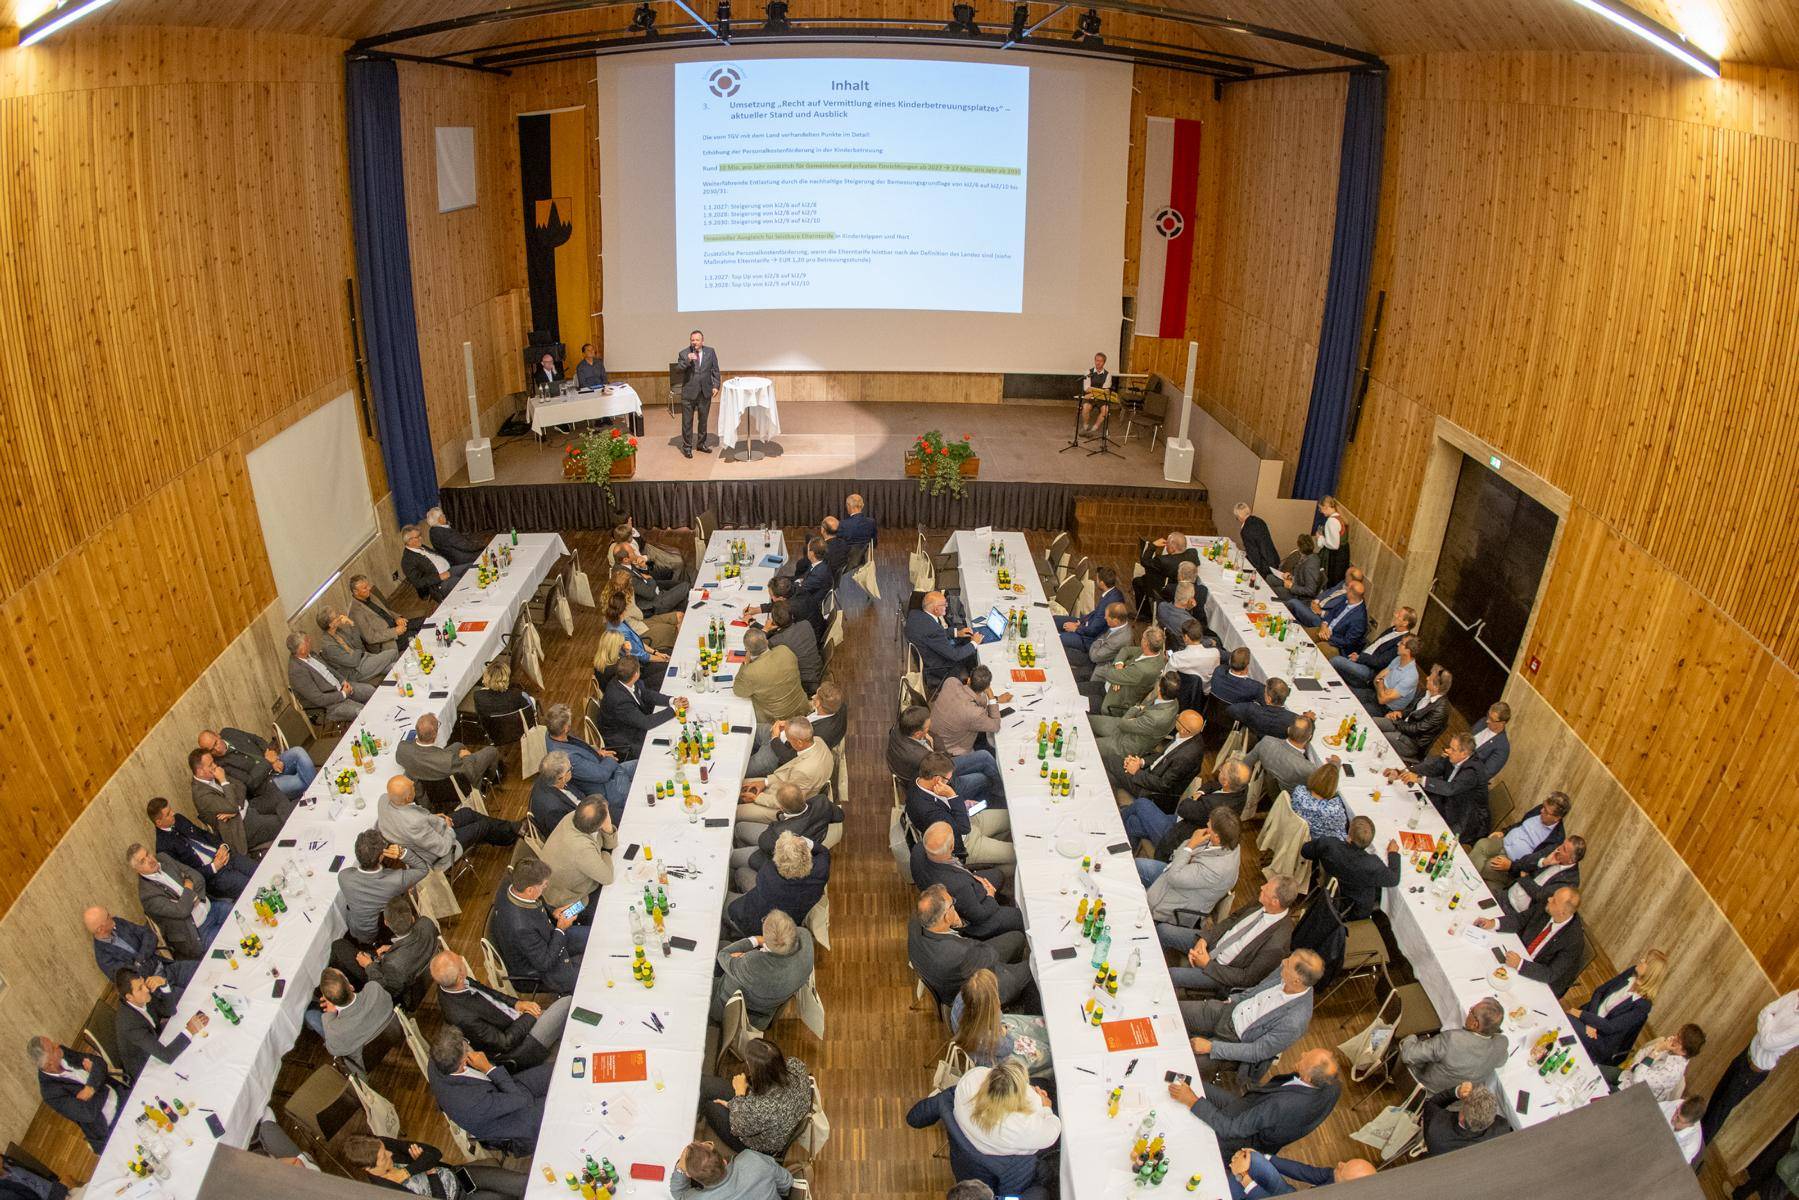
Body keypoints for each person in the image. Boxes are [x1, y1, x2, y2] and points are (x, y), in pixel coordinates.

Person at [906, 1068, 1049, 1200]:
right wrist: (1046, 1110)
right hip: (982, 1185)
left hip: (964, 1172)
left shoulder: (958, 1097)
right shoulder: (1016, 1162)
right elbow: (1031, 1192)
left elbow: (914, 1119)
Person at [1168, 1047, 1341, 1156]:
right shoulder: (1333, 1083)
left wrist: (1192, 1101)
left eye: (1306, 1057)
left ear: (1308, 1077)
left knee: (1182, 1131)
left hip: (1241, 1134)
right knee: (1196, 1085)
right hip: (1251, 1105)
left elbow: (1230, 1128)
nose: (1302, 1053)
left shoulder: (1282, 1105)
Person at [1183, 952, 1324, 1082]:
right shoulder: (1284, 973)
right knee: (1171, 1014)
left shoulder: (1295, 1021)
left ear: (1296, 981)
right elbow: (1257, 989)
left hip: (1236, 1043)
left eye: (1288, 964)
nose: (1283, 961)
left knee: (1184, 1064)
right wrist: (1234, 999)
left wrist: (1212, 1048)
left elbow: (1257, 1051)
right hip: (1229, 1011)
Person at [1160, 875, 1299, 999]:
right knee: (1163, 930)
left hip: (1220, 971)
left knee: (1171, 975)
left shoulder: (1278, 943)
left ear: (1275, 902)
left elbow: (1246, 978)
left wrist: (1207, 965)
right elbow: (1232, 919)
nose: (1261, 887)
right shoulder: (1261, 901)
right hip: (1213, 942)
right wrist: (1204, 940)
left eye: (1266, 888)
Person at [432, 950, 569, 1071]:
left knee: (564, 1021)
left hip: (517, 1018)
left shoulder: (451, 984)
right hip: (521, 1043)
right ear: (460, 977)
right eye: (460, 961)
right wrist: (530, 1016)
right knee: (566, 1004)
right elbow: (504, 1043)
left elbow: (490, 994)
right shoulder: (464, 1017)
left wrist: (517, 1003)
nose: (462, 957)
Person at [426, 1027, 552, 1157]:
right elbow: (520, 1099)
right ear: (462, 1062)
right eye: (466, 1047)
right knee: (558, 1104)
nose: (469, 1045)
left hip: (501, 1089)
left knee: (554, 1072)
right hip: (507, 1119)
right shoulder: (472, 1103)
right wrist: (488, 1068)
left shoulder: (436, 1058)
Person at [909, 884, 1032, 1009]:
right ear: (946, 917)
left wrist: (955, 924)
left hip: (955, 970)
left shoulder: (916, 923)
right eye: (952, 904)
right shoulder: (957, 953)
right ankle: (1012, 999)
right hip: (972, 991)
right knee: (1032, 969)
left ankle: (1010, 972)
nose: (955, 906)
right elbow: (989, 955)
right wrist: (959, 924)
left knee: (1017, 938)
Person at [1703, 988, 1799, 1145]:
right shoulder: (1794, 995)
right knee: (1716, 1097)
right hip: (1745, 1055)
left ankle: (1694, 1154)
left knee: (1718, 1113)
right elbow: (1765, 1011)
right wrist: (1769, 1024)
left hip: (1752, 1072)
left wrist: (1769, 1021)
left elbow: (1767, 1042)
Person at [699, 1037, 813, 1156]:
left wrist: (739, 1093)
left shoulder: (763, 1109)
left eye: (749, 1063)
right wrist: (733, 1103)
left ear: (758, 1071)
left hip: (755, 1145)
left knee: (710, 1106)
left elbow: (737, 1128)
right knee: (706, 1085)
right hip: (768, 1115)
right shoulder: (796, 1064)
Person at [379, 775, 517, 871]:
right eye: (413, 787)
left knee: (467, 813)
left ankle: (510, 829)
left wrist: (433, 818)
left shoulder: (384, 800)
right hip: (441, 850)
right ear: (408, 797)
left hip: (431, 829)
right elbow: (443, 848)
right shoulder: (415, 823)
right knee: (482, 826)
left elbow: (417, 817)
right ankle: (511, 835)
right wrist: (449, 828)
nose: (415, 785)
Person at [491, 858, 586, 994]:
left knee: (594, 936)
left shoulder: (513, 884)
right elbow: (545, 963)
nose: (546, 887)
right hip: (542, 967)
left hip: (548, 936)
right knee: (591, 978)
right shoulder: (521, 927)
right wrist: (560, 929)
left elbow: (537, 904)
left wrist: (553, 911)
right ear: (530, 890)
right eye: (543, 886)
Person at [912, 822, 1021, 938]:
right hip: (975, 918)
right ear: (952, 847)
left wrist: (969, 876)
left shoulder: (917, 850)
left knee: (997, 875)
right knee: (1018, 917)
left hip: (963, 886)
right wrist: (990, 896)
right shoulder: (959, 885)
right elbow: (979, 915)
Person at [906, 752, 1013, 869]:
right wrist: (952, 796)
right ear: (937, 779)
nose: (950, 781)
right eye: (948, 779)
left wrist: (963, 804)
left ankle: (991, 851)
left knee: (1012, 818)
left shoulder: (920, 777)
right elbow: (964, 829)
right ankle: (993, 872)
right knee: (1016, 854)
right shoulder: (929, 812)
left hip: (965, 817)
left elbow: (950, 809)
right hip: (965, 842)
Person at [1473, 885, 1585, 997]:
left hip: (1536, 976)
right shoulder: (1546, 906)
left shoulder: (1574, 940)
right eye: (1553, 896)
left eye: (1554, 901)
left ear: (1563, 913)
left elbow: (1550, 973)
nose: (1549, 899)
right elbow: (1520, 920)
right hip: (1517, 955)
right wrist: (1493, 923)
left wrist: (1520, 964)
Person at [710, 910, 815, 1028]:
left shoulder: (752, 963)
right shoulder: (805, 939)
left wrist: (756, 940)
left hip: (731, 1009)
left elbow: (723, 955)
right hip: (763, 1014)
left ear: (766, 939)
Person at [343, 1134, 527, 1199]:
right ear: (368, 1168)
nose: (390, 1153)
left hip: (458, 1175)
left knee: (521, 1183)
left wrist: (409, 1170)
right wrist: (429, 1170)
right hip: (457, 1198)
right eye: (383, 1157)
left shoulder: (380, 1144)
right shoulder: (387, 1193)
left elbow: (433, 1153)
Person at [130, 841, 231, 959]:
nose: (150, 860)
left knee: (247, 915)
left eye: (147, 854)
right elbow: (182, 911)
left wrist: (189, 898)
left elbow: (197, 877)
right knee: (232, 948)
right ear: (137, 870)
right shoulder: (147, 895)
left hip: (212, 908)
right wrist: (188, 886)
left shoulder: (163, 858)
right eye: (143, 861)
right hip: (198, 932)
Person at [1566, 948, 1665, 1066]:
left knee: (1567, 1019)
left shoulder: (1642, 1006)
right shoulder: (1632, 972)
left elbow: (1610, 1027)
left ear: (1651, 972)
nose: (1641, 960)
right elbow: (1599, 991)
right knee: (1563, 1022)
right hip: (1590, 1017)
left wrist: (1581, 1015)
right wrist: (1590, 1020)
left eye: (1646, 961)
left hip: (1600, 1038)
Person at [887, 706, 1006, 804]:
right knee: (984, 778)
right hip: (940, 783)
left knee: (984, 756)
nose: (930, 729)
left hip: (934, 767)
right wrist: (934, 746)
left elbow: (936, 738)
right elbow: (945, 768)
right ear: (918, 734)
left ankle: (1002, 790)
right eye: (928, 728)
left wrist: (932, 742)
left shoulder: (900, 727)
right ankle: (999, 800)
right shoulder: (920, 757)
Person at [1142, 807, 1240, 924]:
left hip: (1177, 903)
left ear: (1217, 837)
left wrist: (1191, 844)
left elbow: (1174, 877)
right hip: (1177, 875)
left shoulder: (1216, 870)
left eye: (1209, 826)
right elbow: (1178, 851)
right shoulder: (1230, 842)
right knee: (1139, 865)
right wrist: (1188, 848)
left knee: (1134, 904)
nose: (1206, 825)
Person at [1115, 708, 1208, 830]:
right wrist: (1141, 762)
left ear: (1185, 730)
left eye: (1178, 719)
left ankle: (1118, 818)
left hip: (1151, 791)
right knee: (1115, 766)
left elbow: (1163, 785)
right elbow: (1163, 756)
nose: (1176, 717)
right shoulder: (1188, 736)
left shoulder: (1186, 757)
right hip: (1149, 773)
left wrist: (1136, 772)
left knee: (1112, 762)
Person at [30, 1037, 125, 1153]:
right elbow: (88, 1113)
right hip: (109, 1126)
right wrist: (97, 1083)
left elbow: (99, 1062)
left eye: (53, 1042)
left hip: (120, 1096)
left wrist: (90, 1088)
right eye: (53, 1047)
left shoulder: (62, 1053)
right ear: (49, 1064)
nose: (57, 1044)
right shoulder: (50, 1093)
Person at [1394, 732, 1489, 846]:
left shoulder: (1472, 772)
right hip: (1447, 802)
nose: (1448, 751)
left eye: (1453, 749)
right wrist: (1404, 771)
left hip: (1464, 818)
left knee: (1430, 837)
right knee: (1408, 808)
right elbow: (1433, 769)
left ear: (1464, 754)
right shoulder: (1454, 757)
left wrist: (1419, 779)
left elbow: (1450, 789)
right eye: (1449, 747)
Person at [148, 795, 252, 897]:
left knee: (258, 870)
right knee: (251, 886)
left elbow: (203, 834)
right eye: (168, 814)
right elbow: (185, 875)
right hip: (215, 876)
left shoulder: (178, 819)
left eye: (171, 810)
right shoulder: (163, 848)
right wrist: (213, 867)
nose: (173, 813)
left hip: (226, 856)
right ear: (159, 822)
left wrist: (222, 846)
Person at [951, 968, 1051, 1074]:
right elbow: (1008, 1046)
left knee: (1031, 1029)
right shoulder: (987, 1036)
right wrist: (1002, 1030)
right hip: (994, 1062)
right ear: (988, 1006)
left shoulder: (964, 996)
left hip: (977, 1042)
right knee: (1046, 1054)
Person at [1398, 998, 1509, 1093]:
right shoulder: (1501, 1044)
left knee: (1405, 1043)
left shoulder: (1452, 1040)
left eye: (1471, 1011)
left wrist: (1411, 1036)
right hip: (1453, 1101)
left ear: (1475, 1025)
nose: (1469, 1012)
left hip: (1424, 1089)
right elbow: (1502, 1061)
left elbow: (1408, 1055)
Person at [727, 831, 829, 936]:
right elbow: (824, 852)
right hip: (790, 917)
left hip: (756, 925)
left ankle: (734, 934)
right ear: (807, 854)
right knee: (741, 872)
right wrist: (805, 842)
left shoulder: (768, 875)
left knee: (724, 902)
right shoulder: (821, 869)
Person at [189, 747, 284, 858]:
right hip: (241, 827)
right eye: (210, 765)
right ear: (200, 771)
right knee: (281, 821)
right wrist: (223, 781)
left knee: (277, 797)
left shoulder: (212, 775)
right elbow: (231, 806)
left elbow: (241, 786)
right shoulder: (201, 795)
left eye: (213, 762)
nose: (215, 766)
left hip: (247, 807)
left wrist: (237, 807)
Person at [542, 703, 634, 817]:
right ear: (566, 728)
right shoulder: (568, 757)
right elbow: (602, 775)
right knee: (641, 790)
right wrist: (610, 760)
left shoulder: (551, 732)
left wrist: (597, 751)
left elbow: (581, 746)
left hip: (608, 768)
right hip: (609, 788)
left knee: (642, 765)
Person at [113, 968, 207, 1078]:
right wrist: (190, 1030)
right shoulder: (129, 1024)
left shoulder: (142, 996)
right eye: (140, 988)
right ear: (129, 997)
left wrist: (164, 984)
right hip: (146, 1067)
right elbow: (167, 1056)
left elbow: (169, 1011)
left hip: (157, 1041)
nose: (146, 989)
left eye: (143, 983)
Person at [1301, 816, 1401, 920]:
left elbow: (1305, 851)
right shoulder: (1373, 865)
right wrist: (1393, 853)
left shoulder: (1329, 845)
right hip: (1354, 908)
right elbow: (1394, 880)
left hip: (1329, 886)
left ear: (1349, 836)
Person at [1470, 790, 1571, 892]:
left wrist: (1511, 866)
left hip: (1512, 861)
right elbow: (1521, 823)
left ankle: (1469, 882)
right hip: (1503, 841)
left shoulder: (1556, 839)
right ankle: (1470, 880)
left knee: (1488, 866)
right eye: (1543, 806)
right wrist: (1504, 832)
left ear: (1557, 818)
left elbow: (1535, 863)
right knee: (1482, 844)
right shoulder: (1540, 810)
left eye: (1546, 812)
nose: (1541, 811)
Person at [339, 828, 427, 945]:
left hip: (358, 931)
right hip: (384, 931)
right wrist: (402, 853)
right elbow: (423, 869)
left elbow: (353, 872)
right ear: (381, 856)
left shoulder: (344, 877)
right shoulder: (396, 880)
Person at [1155, 759, 1253, 859]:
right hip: (1191, 820)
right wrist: (1200, 792)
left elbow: (1183, 808)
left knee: (1142, 805)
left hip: (1180, 837)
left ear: (1226, 782)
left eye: (1221, 770)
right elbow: (1211, 784)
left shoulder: (1212, 805)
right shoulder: (1241, 788)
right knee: (1139, 823)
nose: (1219, 769)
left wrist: (1193, 797)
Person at [739, 717, 833, 821]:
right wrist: (764, 782)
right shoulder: (818, 741)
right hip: (786, 785)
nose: (787, 741)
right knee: (738, 784)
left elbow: (787, 801)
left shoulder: (804, 771)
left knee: (738, 812)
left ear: (799, 743)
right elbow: (789, 772)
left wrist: (757, 798)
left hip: (785, 805)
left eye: (788, 738)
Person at [85, 905, 196, 992]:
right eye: (107, 916)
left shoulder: (119, 923)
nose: (111, 916)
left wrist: (140, 960)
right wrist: (145, 956)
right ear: (100, 929)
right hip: (153, 987)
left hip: (164, 965)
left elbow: (149, 934)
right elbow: (133, 977)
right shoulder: (104, 958)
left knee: (200, 970)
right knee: (190, 997)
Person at [735, 782, 838, 874]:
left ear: (781, 808)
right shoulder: (822, 801)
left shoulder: (777, 833)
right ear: (803, 796)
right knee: (740, 828)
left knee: (733, 857)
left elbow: (763, 844)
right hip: (807, 848)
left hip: (775, 860)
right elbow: (839, 816)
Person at [307, 967, 398, 1070]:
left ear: (328, 1000)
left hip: (364, 1062)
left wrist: (330, 1014)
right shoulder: (374, 989)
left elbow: (334, 1050)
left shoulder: (335, 1030)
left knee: (310, 1016)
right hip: (393, 1033)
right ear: (350, 986)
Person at [747, 683, 846, 777]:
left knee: (742, 768)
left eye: (816, 696)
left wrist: (774, 738)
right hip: (782, 732)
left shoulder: (819, 736)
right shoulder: (837, 705)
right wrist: (789, 724)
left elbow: (791, 758)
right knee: (746, 729)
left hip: (777, 754)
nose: (812, 697)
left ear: (819, 703)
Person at [198, 725, 315, 804]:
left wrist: (271, 756)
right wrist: (268, 762)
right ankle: (318, 792)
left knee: (298, 751)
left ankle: (316, 792)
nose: (217, 750)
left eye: (216, 743)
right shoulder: (220, 765)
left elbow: (255, 739)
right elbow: (250, 783)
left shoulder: (228, 732)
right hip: (266, 785)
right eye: (212, 750)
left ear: (217, 735)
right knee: (301, 781)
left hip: (273, 762)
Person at [540, 797, 618, 910]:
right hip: (569, 904)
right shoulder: (582, 849)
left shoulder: (574, 816)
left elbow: (608, 844)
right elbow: (608, 878)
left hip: (555, 887)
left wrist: (606, 830)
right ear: (598, 826)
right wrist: (605, 854)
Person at [1095, 673, 1180, 776]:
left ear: (1159, 689)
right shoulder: (1173, 702)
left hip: (1127, 744)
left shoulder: (1156, 718)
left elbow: (1123, 723)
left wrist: (1136, 708)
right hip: (1130, 726)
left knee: (1088, 744)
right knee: (1089, 721)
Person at [397, 712, 502, 795]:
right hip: (453, 784)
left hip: (430, 772)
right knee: (491, 751)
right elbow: (470, 774)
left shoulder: (402, 748)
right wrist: (467, 757)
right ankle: (488, 780)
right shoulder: (450, 761)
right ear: (434, 736)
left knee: (458, 745)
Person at [355, 899, 437, 1002]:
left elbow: (388, 991)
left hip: (408, 993)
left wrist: (369, 966)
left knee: (340, 946)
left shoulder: (393, 963)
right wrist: (393, 948)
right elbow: (419, 942)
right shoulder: (426, 922)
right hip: (427, 969)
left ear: (385, 923)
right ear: (412, 918)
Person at [287, 631, 373, 721]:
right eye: (307, 641)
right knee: (364, 713)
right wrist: (343, 694)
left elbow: (329, 669)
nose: (310, 640)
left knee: (371, 690)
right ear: (302, 649)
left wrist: (343, 681)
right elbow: (319, 699)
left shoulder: (311, 654)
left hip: (341, 687)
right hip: (329, 705)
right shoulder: (297, 672)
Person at [907, 590, 984, 690]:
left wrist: (957, 633)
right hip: (939, 667)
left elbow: (935, 634)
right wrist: (974, 642)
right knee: (973, 653)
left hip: (929, 650)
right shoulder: (934, 630)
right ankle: (973, 684)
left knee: (966, 642)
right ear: (935, 610)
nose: (947, 606)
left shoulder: (915, 614)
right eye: (944, 604)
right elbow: (955, 656)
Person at [734, 628, 812, 726]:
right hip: (801, 708)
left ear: (747, 650)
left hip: (777, 721)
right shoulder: (785, 650)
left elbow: (738, 691)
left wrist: (745, 664)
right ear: (766, 641)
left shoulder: (750, 672)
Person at [1375, 664, 1452, 763]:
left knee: (1379, 739)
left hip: (1411, 742)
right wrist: (1399, 713)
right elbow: (1411, 708)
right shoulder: (1425, 692)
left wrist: (1396, 722)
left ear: (1436, 686)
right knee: (1373, 722)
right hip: (1401, 725)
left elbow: (1416, 729)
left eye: (1430, 678)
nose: (1427, 678)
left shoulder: (1440, 710)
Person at [1225, 1148, 1374, 1199]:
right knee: (1253, 1160)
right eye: (1346, 1162)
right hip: (1295, 1196)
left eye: (1343, 1168)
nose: (1339, 1163)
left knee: (1241, 1177)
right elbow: (1302, 1170)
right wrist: (1263, 1156)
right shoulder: (1335, 1176)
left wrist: (1243, 1176)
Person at [929, 666, 1011, 759]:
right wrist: (991, 697)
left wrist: (996, 699)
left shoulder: (951, 682)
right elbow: (995, 726)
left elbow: (974, 702)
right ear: (986, 687)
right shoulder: (974, 713)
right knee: (994, 752)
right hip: (950, 752)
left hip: (932, 735)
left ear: (968, 680)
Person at [1498, 832, 1585, 917]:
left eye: (1564, 849)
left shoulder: (1570, 880)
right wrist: (1543, 862)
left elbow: (1539, 895)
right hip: (1507, 893)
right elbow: (1523, 863)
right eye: (1562, 844)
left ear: (1571, 860)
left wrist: (1525, 877)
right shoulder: (1553, 850)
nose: (1559, 849)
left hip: (1518, 913)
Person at [1330, 605, 1417, 689]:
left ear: (1405, 623)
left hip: (1370, 670)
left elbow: (1381, 662)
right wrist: (1359, 655)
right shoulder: (1392, 629)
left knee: (1336, 660)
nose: (1395, 615)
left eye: (1399, 615)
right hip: (1362, 658)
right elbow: (1375, 645)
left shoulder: (1403, 642)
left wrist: (1360, 658)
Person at [1088, 627, 1168, 717]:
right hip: (1110, 685)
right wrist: (1119, 665)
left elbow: (1110, 674)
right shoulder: (1157, 653)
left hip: (1111, 699)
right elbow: (1126, 650)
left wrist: (1117, 675)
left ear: (1146, 643)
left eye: (1143, 638)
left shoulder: (1142, 670)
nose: (1141, 639)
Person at [672, 1140, 792, 1200]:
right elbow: (787, 1182)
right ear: (724, 1161)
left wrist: (680, 1168)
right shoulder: (752, 1159)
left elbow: (679, 1194)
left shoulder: (697, 1198)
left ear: (692, 1177)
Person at [1615, 1024, 1706, 1101]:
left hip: (1632, 1096)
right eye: (1677, 1035)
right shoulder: (1671, 1047)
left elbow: (1638, 1080)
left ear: (1684, 1052)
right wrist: (1634, 1066)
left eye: (1678, 1041)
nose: (1673, 1038)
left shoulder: (1672, 1071)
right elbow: (1643, 1052)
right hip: (1627, 1075)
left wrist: (1657, 1050)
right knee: (1600, 1070)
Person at [1420, 1082, 1508, 1157]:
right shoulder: (1502, 1129)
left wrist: (1456, 1092)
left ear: (1462, 1117)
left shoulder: (1435, 1127)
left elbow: (1431, 1104)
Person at [315, 605, 398, 684]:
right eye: (336, 616)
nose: (339, 616)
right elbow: (352, 662)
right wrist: (358, 652)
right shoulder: (328, 646)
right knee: (393, 653)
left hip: (363, 658)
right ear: (331, 624)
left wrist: (352, 624)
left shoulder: (338, 631)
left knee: (392, 667)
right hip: (356, 670)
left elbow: (357, 645)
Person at [1240, 717, 1317, 797]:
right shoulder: (1309, 768)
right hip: (1284, 801)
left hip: (1263, 786)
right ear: (1309, 737)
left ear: (1288, 730)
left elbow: (1245, 763)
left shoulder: (1266, 742)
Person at [762, 599, 824, 693]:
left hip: (804, 683)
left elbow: (758, 647)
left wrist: (766, 629)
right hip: (818, 672)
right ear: (792, 615)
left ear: (774, 622)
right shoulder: (806, 624)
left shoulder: (777, 640)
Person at [1059, 567, 1125, 655]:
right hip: (1085, 625)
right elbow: (1095, 613)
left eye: (1097, 579)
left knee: (1057, 638)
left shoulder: (1110, 601)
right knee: (1055, 620)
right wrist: (1081, 622)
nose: (1095, 580)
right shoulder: (1113, 593)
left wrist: (1077, 629)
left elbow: (1093, 630)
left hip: (1088, 639)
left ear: (1101, 583)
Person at [675, 329, 720, 457]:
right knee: (687, 422)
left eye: (697, 340)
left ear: (702, 341)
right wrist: (687, 361)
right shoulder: (684, 353)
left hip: (705, 392)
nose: (694, 342)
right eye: (692, 340)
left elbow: (715, 370)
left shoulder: (710, 352)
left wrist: (716, 385)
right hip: (689, 394)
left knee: (703, 420)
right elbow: (678, 370)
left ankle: (701, 444)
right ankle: (687, 447)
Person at [1066, 600, 1133, 682]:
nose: (1104, 618)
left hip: (1098, 668)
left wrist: (1097, 643)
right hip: (1095, 655)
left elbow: (1095, 657)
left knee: (1068, 676)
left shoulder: (1119, 640)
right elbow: (1101, 638)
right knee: (1065, 652)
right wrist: (1099, 643)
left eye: (1107, 617)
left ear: (1115, 621)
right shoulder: (1120, 625)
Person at [400, 523, 468, 602]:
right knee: (464, 581)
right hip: (439, 584)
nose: (421, 538)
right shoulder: (407, 560)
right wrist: (439, 577)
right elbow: (418, 582)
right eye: (417, 537)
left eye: (419, 535)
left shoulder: (421, 547)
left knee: (472, 567)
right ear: (409, 541)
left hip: (449, 570)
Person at [1354, 633, 1419, 715]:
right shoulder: (1398, 659)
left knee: (1354, 710)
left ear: (1408, 651)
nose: (1398, 644)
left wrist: (1381, 682)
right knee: (1347, 695)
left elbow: (1382, 700)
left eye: (1401, 643)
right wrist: (1383, 689)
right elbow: (1376, 679)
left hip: (1384, 708)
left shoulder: (1411, 676)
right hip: (1374, 694)